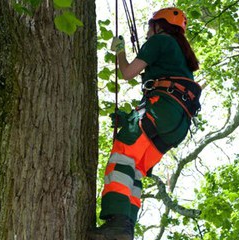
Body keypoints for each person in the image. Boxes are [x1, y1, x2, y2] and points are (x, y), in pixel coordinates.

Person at [89, 7, 202, 240]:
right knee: (136, 169)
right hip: (175, 124)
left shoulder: (161, 40)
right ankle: (123, 228)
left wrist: (119, 52)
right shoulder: (178, 53)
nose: (147, 32)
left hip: (162, 109)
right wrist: (130, 118)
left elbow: (128, 72)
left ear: (158, 26)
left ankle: (118, 224)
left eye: (149, 27)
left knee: (122, 157)